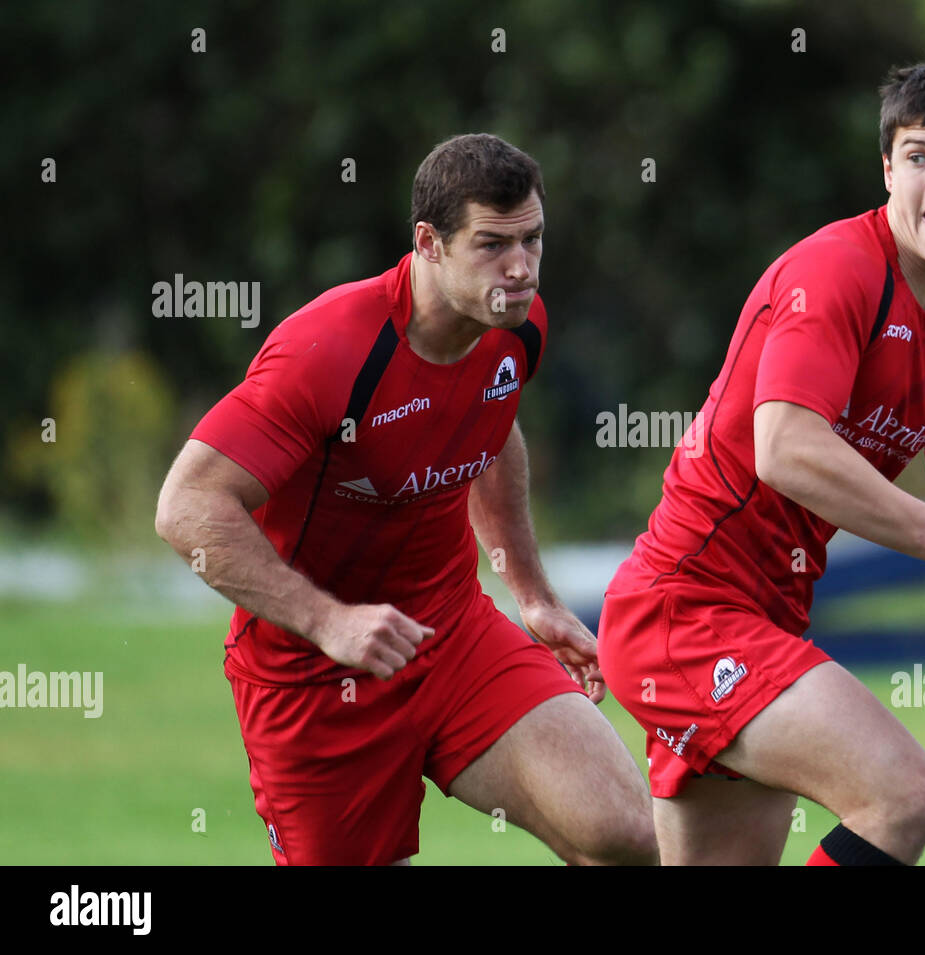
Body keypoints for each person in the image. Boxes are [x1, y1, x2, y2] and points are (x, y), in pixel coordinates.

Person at [596, 60, 925, 866]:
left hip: (767, 617)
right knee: (902, 795)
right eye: (918, 157)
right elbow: (785, 448)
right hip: (683, 610)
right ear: (888, 170)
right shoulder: (837, 270)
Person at [155, 133, 657, 866]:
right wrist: (330, 620)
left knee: (627, 835)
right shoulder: (330, 351)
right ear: (428, 242)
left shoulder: (514, 329)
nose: (520, 269)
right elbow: (187, 507)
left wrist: (533, 592)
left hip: (452, 633)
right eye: (492, 244)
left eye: (533, 240)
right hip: (313, 678)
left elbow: (492, 427)